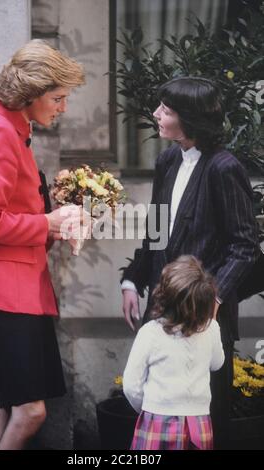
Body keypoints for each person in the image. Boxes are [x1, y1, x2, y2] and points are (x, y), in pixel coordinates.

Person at [121, 77, 261, 448]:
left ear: (191, 119)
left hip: (207, 322)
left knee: (207, 425)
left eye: (166, 110)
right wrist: (132, 281)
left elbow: (244, 246)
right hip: (163, 308)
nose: (156, 114)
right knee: (157, 414)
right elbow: (156, 230)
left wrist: (212, 301)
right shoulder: (168, 160)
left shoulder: (223, 167)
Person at [0, 39, 84, 450]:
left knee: (9, 409)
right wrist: (47, 222)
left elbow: (8, 213)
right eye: (58, 97)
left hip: (12, 289)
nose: (62, 107)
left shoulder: (11, 129)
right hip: (5, 292)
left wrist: (54, 227)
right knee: (30, 412)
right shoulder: (1, 133)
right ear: (31, 94)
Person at [123, 255, 225, 450]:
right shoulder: (211, 328)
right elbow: (217, 363)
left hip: (156, 419)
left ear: (163, 295)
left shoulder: (151, 332)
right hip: (197, 421)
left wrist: (147, 407)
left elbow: (130, 385)